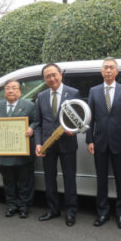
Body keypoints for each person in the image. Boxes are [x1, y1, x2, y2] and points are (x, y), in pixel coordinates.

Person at [86, 57, 121, 229]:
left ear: (116, 72)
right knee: (101, 180)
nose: (108, 70)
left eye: (111, 68)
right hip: (99, 142)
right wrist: (89, 139)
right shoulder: (94, 91)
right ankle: (103, 213)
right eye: (105, 67)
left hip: (120, 142)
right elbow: (89, 118)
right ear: (101, 71)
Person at [0, 80, 35, 218]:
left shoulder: (30, 105)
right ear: (4, 92)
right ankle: (11, 204)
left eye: (14, 88)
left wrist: (31, 129)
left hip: (23, 151)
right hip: (3, 152)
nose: (10, 91)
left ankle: (23, 205)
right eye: (7, 88)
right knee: (8, 180)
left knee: (25, 180)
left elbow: (37, 122)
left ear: (20, 91)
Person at [34, 63, 80, 227]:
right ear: (44, 79)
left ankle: (70, 211)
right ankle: (53, 209)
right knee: (49, 178)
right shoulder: (41, 96)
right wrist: (38, 143)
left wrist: (73, 130)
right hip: (48, 143)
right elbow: (37, 123)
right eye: (48, 76)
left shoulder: (73, 93)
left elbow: (79, 119)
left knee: (69, 179)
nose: (52, 79)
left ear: (60, 74)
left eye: (54, 75)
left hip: (67, 143)